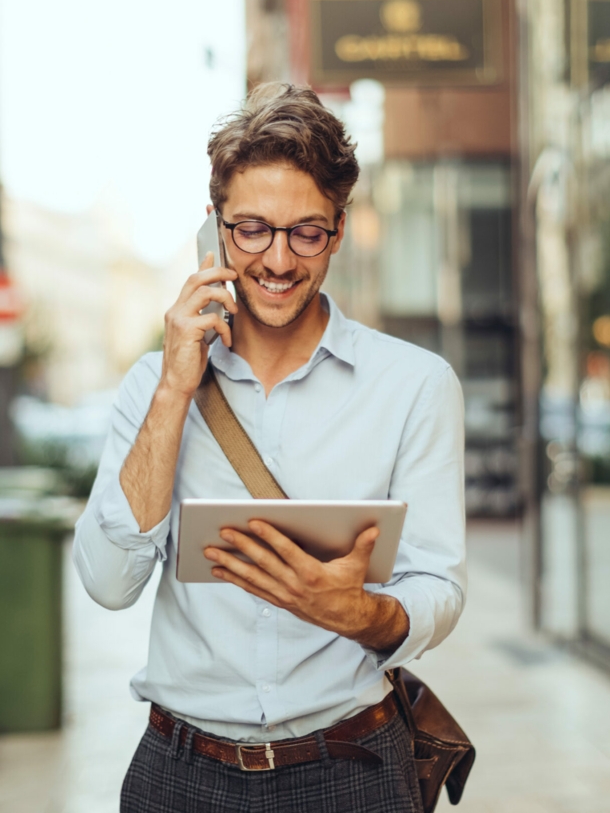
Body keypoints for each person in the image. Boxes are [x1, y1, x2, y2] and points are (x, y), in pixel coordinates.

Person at [73, 83, 466, 813]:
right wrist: (173, 392)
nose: (278, 259)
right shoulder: (154, 386)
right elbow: (107, 582)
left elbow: (438, 586)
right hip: (179, 773)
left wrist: (360, 614)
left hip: (352, 765)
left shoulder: (415, 385)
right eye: (251, 228)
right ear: (215, 229)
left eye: (306, 232)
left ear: (340, 230)